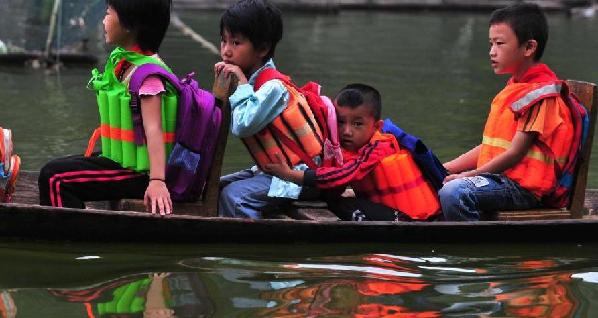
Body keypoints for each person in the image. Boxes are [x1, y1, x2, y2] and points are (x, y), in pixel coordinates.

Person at [438, 3, 575, 221]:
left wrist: (467, 176)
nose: (492, 51)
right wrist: (444, 168)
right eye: (491, 43)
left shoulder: (541, 95)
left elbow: (515, 153)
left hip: (522, 189)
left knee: (454, 192)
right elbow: (491, 146)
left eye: (500, 44)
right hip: (498, 180)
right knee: (435, 180)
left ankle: (474, 251)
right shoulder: (515, 88)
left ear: (529, 48)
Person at [38, 0, 175, 215]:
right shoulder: (126, 61)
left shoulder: (148, 75)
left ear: (130, 24)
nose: (103, 20)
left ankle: (68, 238)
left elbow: (154, 129)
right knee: (57, 166)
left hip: (141, 174)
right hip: (125, 162)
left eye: (108, 13)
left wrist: (157, 181)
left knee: (55, 177)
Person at [265, 84, 441, 221]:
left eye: (357, 124)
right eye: (341, 122)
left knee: (341, 204)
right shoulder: (346, 147)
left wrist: (291, 175)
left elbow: (345, 174)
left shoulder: (379, 147)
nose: (347, 131)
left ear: (376, 126)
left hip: (408, 219)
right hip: (386, 209)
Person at [216, 0, 325, 219]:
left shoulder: (273, 88)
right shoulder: (250, 82)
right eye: (224, 41)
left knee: (233, 196)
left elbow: (242, 126)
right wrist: (223, 84)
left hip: (299, 177)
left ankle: (244, 248)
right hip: (271, 171)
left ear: (263, 48)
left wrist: (241, 83)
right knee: (217, 186)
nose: (226, 51)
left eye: (236, 43)